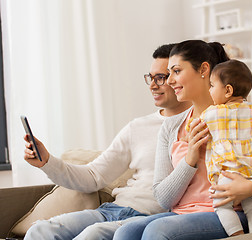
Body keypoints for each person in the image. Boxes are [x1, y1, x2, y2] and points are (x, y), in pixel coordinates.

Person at [23, 41, 252, 240]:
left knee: (157, 229)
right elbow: (164, 198)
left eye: (174, 72)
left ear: (204, 71)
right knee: (125, 234)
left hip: (229, 213)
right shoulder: (171, 128)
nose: (167, 82)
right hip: (178, 212)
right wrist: (190, 157)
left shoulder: (243, 117)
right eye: (164, 74)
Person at [23, 44, 192, 239]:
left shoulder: (201, 123)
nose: (153, 85)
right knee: (40, 231)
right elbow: (94, 176)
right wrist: (47, 162)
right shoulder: (138, 127)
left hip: (152, 218)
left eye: (161, 78)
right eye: (151, 78)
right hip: (112, 210)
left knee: (91, 236)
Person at [200, 59, 252, 236]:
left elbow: (192, 128)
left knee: (221, 206)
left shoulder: (211, 114)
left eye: (212, 86)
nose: (209, 90)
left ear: (227, 90)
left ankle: (238, 237)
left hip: (228, 175)